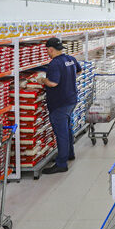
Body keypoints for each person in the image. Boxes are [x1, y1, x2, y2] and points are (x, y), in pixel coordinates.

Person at [36, 37, 81, 175]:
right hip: (71, 100)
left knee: (61, 133)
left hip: (59, 103)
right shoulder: (70, 59)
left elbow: (53, 83)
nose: (47, 53)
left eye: (47, 50)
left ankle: (61, 164)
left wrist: (42, 79)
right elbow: (79, 71)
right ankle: (69, 154)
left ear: (50, 49)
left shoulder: (55, 63)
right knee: (67, 129)